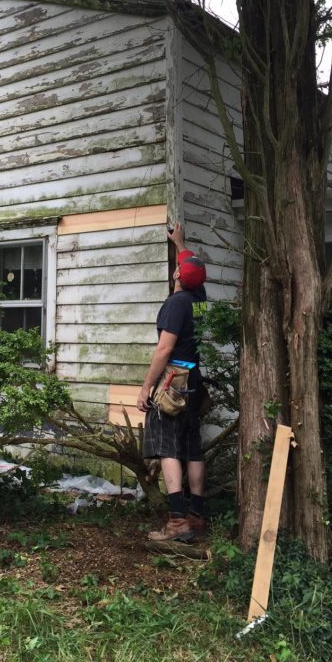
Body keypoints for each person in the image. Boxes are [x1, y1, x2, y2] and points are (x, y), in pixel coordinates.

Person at [137, 223, 208, 542]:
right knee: (193, 449)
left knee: (168, 448)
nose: (177, 269)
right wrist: (180, 242)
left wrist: (146, 388)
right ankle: (196, 516)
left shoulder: (175, 304)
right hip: (195, 380)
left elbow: (164, 349)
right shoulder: (200, 299)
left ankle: (177, 521)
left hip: (173, 384)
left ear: (178, 276)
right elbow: (192, 268)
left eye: (179, 269)